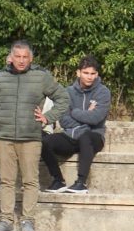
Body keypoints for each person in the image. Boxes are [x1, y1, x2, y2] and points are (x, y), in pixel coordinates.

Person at [0, 40, 62, 231]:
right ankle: (6, 220)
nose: (22, 61)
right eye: (18, 56)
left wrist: (48, 118)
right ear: (11, 57)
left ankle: (28, 221)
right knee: (6, 181)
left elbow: (63, 98)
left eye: (25, 57)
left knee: (30, 181)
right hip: (4, 137)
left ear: (31, 58)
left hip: (31, 137)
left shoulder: (41, 77)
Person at [40, 55, 110, 194]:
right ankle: (58, 180)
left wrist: (75, 112)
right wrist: (86, 114)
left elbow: (96, 118)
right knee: (44, 142)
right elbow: (64, 121)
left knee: (86, 136)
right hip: (71, 135)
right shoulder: (68, 92)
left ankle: (81, 183)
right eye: (86, 73)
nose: (89, 77)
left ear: (97, 74)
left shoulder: (103, 92)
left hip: (94, 136)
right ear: (78, 73)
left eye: (93, 73)